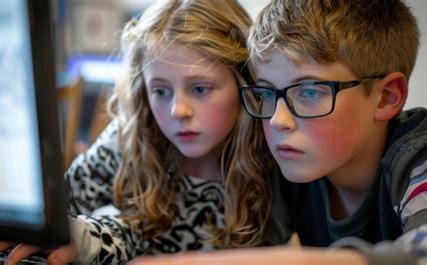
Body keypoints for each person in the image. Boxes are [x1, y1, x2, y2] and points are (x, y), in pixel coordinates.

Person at [0, 0, 290, 264]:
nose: (178, 110)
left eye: (200, 88)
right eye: (161, 91)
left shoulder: (276, 151)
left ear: (244, 82)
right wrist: (62, 233)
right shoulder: (132, 138)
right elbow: (75, 213)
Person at [131, 0, 427, 264]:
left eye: (309, 92)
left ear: (387, 96)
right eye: (267, 94)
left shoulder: (417, 156)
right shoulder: (286, 166)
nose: (277, 120)